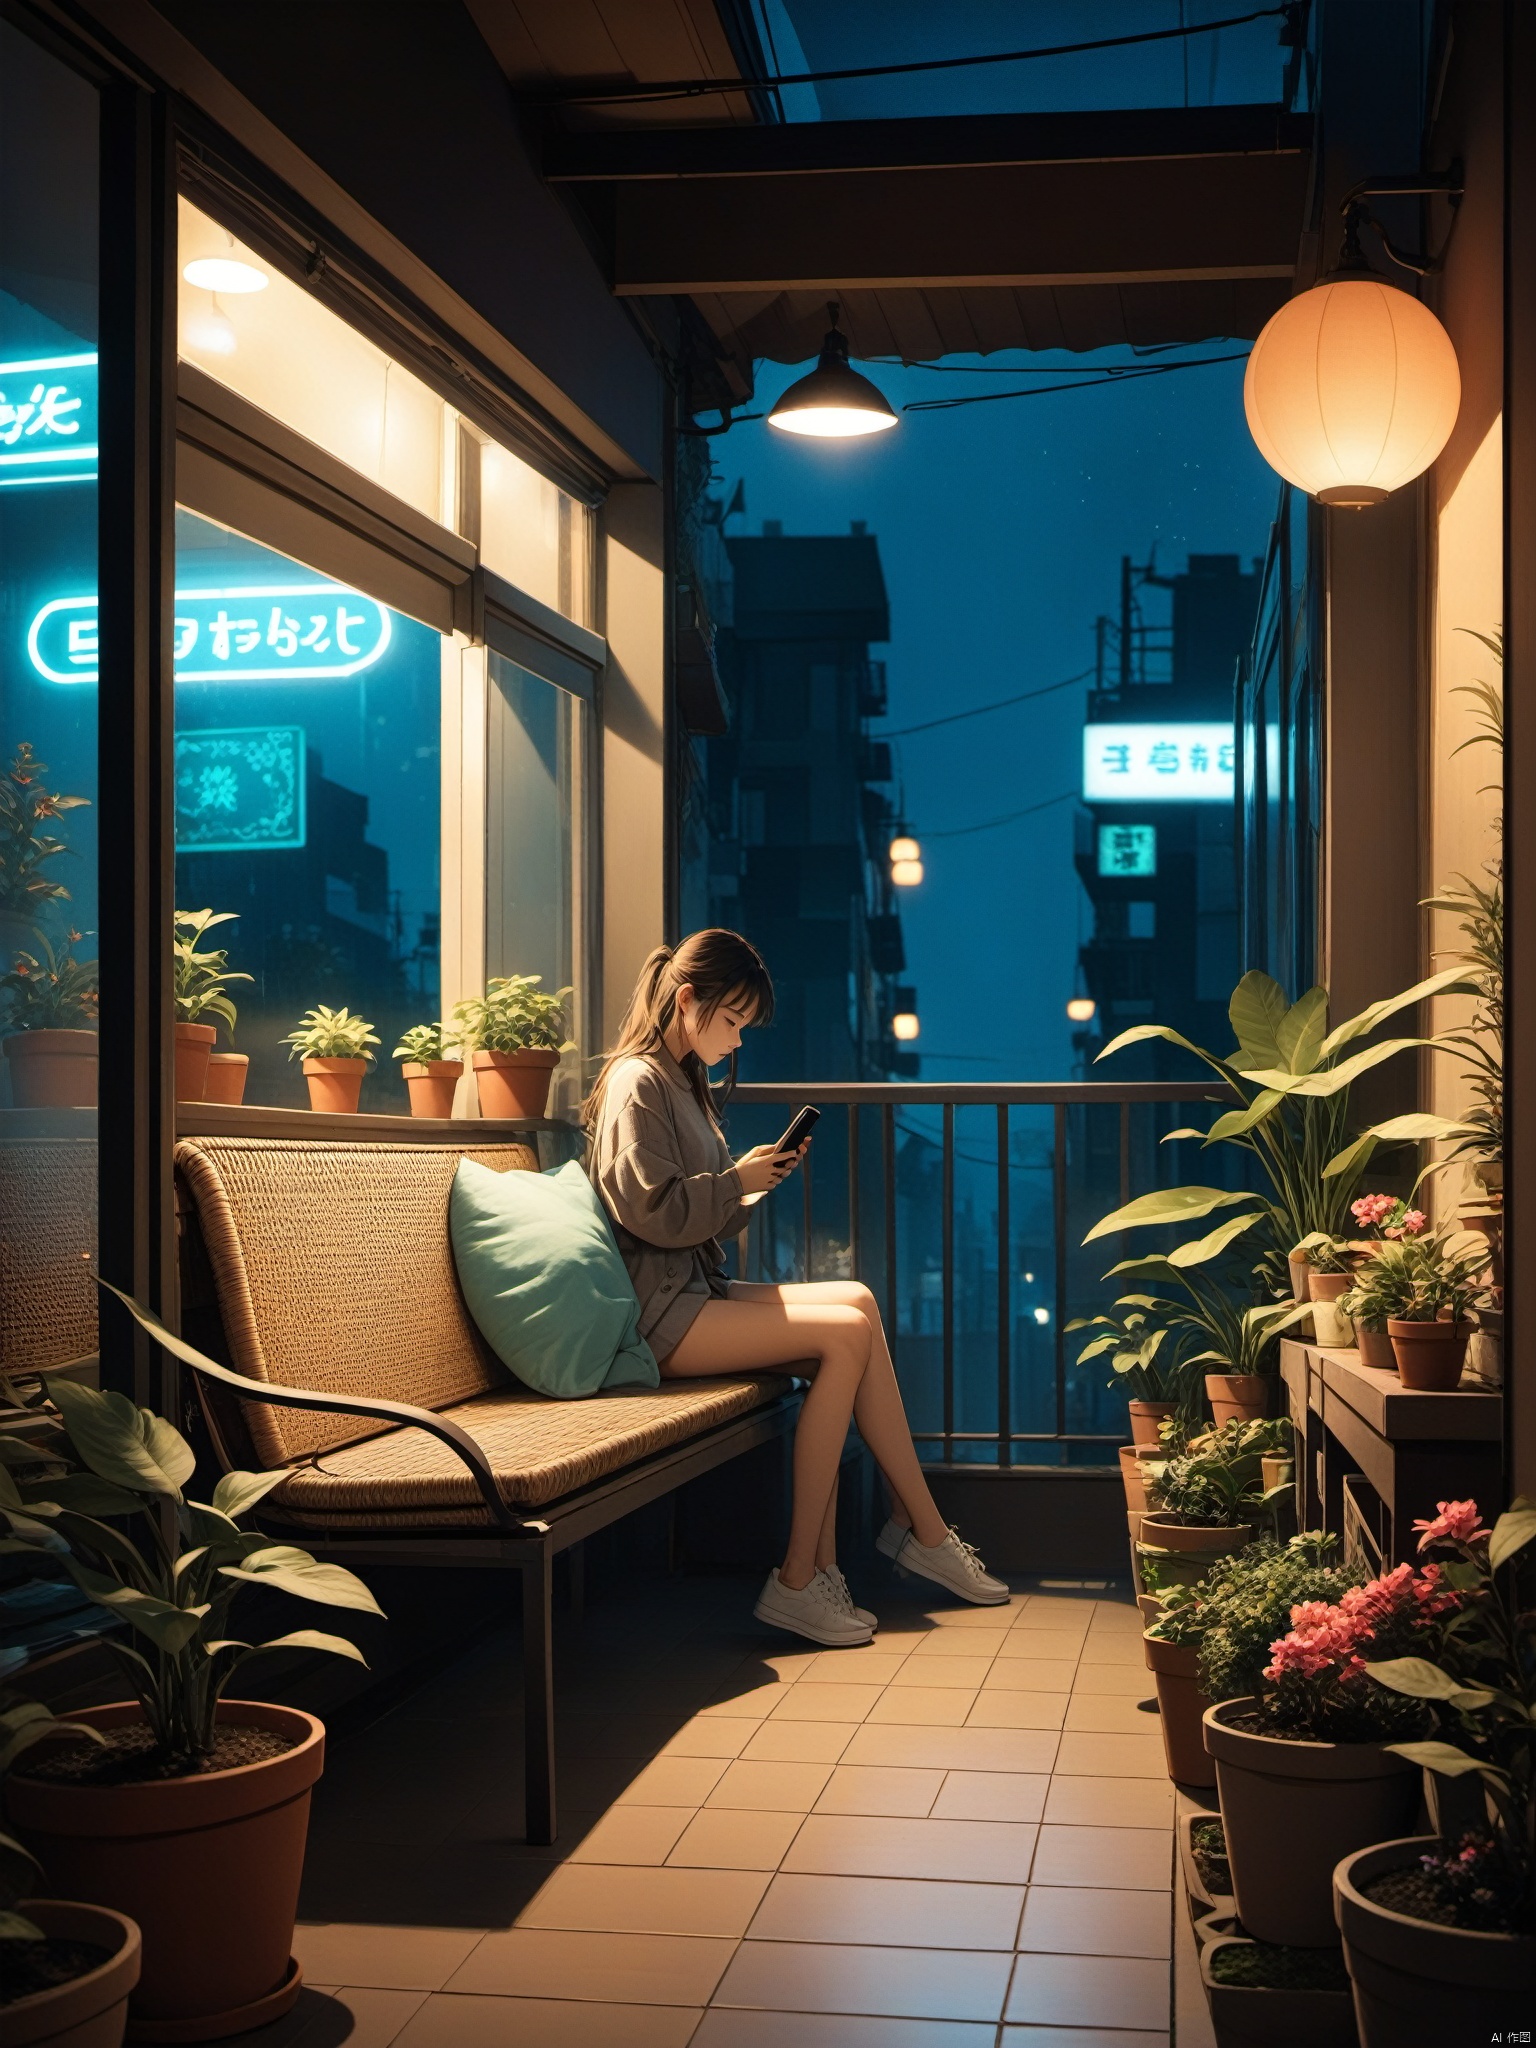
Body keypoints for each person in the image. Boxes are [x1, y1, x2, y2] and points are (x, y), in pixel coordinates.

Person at [584, 928, 1008, 1647]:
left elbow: (687, 1212)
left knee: (859, 1303)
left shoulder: (678, 1080)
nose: (737, 1042)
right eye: (732, 1022)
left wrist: (744, 1185)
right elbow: (648, 1210)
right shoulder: (638, 1081)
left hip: (689, 1291)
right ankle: (800, 1578)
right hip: (658, 1314)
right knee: (840, 1336)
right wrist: (732, 1182)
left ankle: (903, 1535)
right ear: (688, 1001)